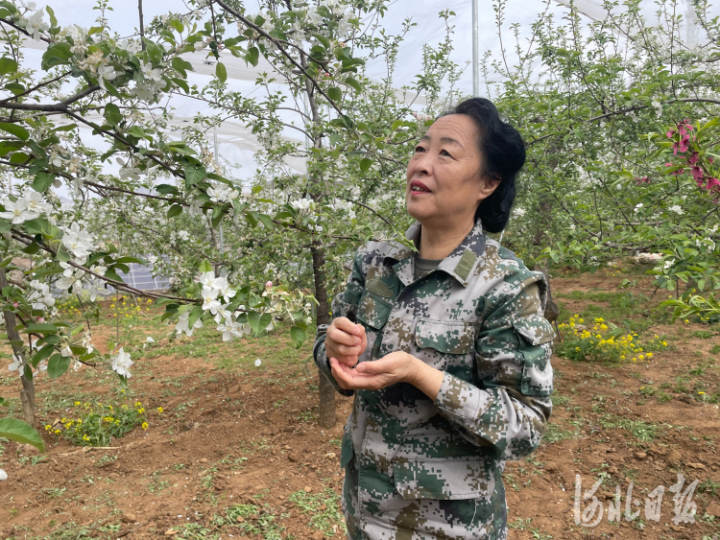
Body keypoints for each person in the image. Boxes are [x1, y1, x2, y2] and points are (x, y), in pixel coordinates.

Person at [313, 97, 554, 539]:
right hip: (365, 512)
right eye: (420, 148)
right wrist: (333, 350)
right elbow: (329, 354)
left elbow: (525, 425)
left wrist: (422, 375)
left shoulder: (504, 286)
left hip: (448, 526)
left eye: (446, 153)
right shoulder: (374, 263)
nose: (421, 164)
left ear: (488, 183)